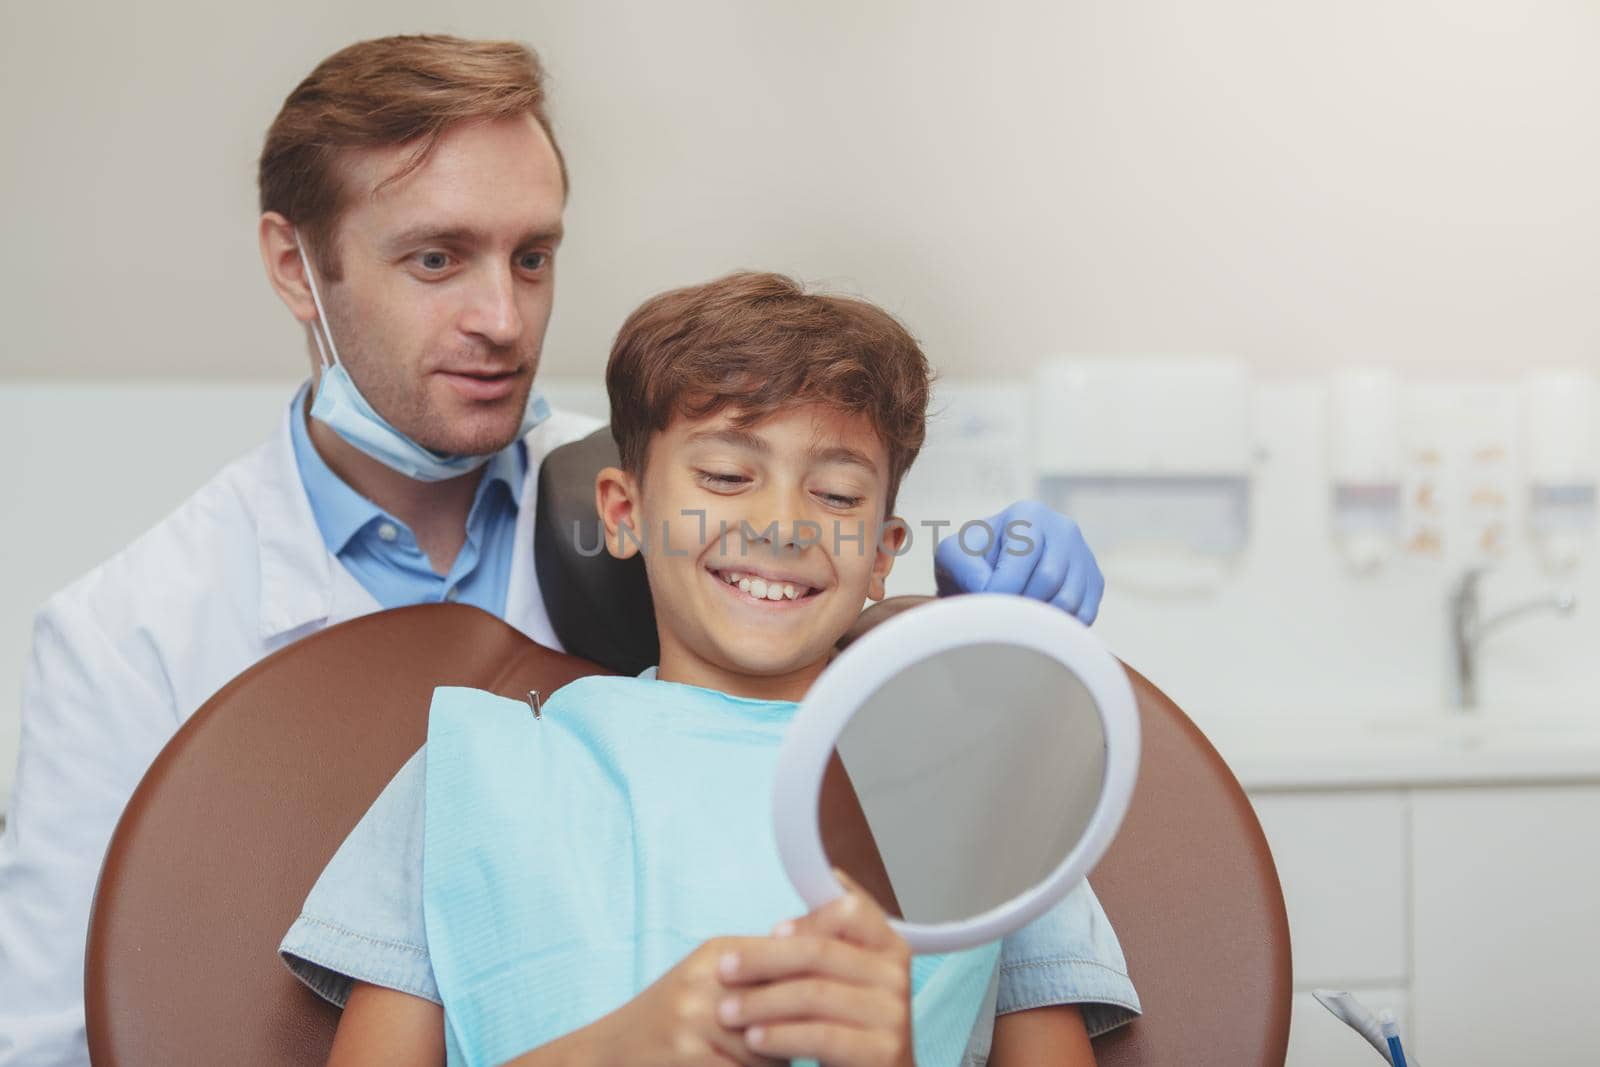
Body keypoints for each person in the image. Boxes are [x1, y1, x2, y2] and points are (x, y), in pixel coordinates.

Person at [0, 36, 1108, 1067]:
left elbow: (783, 604)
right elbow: (53, 1036)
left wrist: (957, 636)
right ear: (298, 268)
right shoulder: (131, 636)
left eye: (532, 258)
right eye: (438, 258)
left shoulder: (637, 475)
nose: (503, 318)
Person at [279, 271, 1139, 1066]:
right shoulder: (474, 773)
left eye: (837, 494)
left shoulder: (986, 797)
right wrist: (623, 1050)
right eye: (728, 473)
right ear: (623, 511)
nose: (782, 522)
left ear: (883, 553)